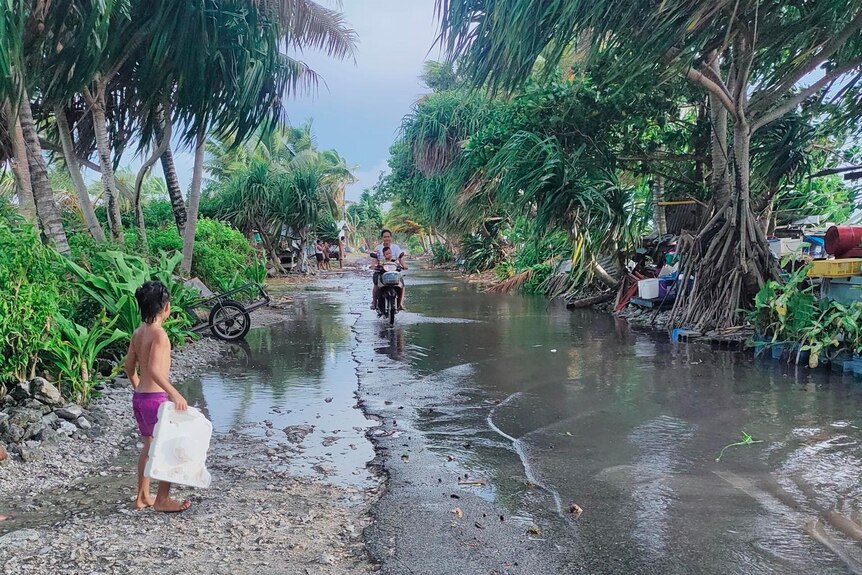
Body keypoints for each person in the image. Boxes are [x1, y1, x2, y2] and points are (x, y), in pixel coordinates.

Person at [125, 280, 191, 513]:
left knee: (149, 446)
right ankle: (162, 498)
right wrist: (174, 393)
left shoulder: (138, 332)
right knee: (168, 447)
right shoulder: (160, 335)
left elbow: (129, 368)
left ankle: (142, 496)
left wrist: (138, 389)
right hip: (155, 399)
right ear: (166, 308)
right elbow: (153, 369)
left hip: (141, 398)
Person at [371, 229, 407, 310]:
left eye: (388, 237)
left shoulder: (396, 247)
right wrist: (373, 265)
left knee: (402, 284)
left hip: (394, 270)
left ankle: (400, 304)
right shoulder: (378, 248)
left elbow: (400, 258)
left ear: (391, 238)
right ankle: (374, 303)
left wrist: (404, 265)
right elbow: (374, 259)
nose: (386, 238)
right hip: (382, 270)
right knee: (376, 284)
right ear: (382, 238)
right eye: (385, 237)